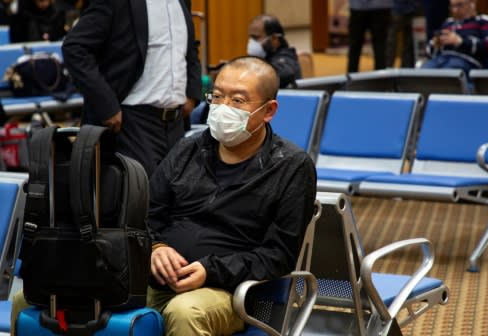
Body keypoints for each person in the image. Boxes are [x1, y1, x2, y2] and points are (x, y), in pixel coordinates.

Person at [146, 56, 317, 335]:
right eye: (217, 96)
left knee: (185, 312)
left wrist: (210, 270)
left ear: (268, 110)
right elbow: (145, 214)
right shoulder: (188, 150)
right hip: (159, 277)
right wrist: (155, 248)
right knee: (92, 293)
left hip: (234, 293)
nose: (222, 107)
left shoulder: (291, 166)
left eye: (237, 101)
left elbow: (278, 255)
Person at [62, 0, 202, 177]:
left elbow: (188, 48)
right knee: (144, 198)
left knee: (177, 197)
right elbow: (75, 48)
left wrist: (192, 93)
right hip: (132, 121)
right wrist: (106, 104)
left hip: (176, 123)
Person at [421, 0, 488, 75]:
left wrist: (460, 42)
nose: (455, 10)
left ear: (472, 2)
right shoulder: (448, 23)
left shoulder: (484, 20)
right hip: (441, 59)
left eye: (459, 5)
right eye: (452, 6)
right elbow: (429, 52)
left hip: (467, 61)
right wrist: (435, 44)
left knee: (447, 75)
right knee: (420, 75)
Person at [247, 14, 301, 88]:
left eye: (256, 37)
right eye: (251, 37)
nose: (252, 42)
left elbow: (286, 73)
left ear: (274, 39)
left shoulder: (286, 57)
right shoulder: (266, 56)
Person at [347, 0, 394, 72]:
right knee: (380, 45)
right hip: (380, 6)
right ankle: (381, 78)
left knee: (355, 46)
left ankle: (352, 78)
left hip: (361, 7)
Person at [387, 0, 423, 68]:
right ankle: (389, 70)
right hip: (407, 7)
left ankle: (403, 70)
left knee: (410, 43)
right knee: (392, 43)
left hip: (410, 8)